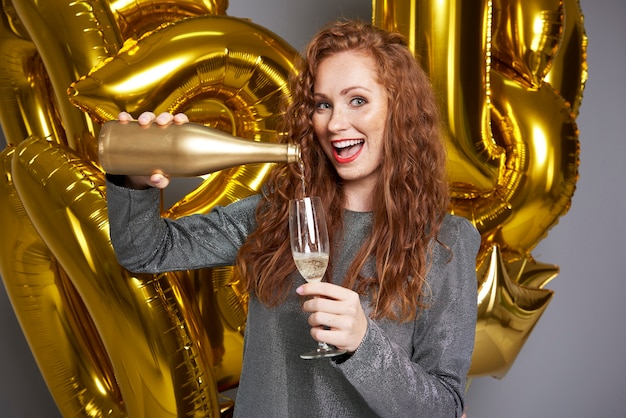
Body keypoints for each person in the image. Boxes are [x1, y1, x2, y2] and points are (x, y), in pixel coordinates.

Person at [106, 19, 480, 418]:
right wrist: (135, 178)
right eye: (323, 104)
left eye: (357, 100)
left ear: (399, 109)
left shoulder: (445, 243)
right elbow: (145, 251)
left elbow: (443, 409)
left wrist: (363, 343)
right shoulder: (276, 212)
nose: (335, 124)